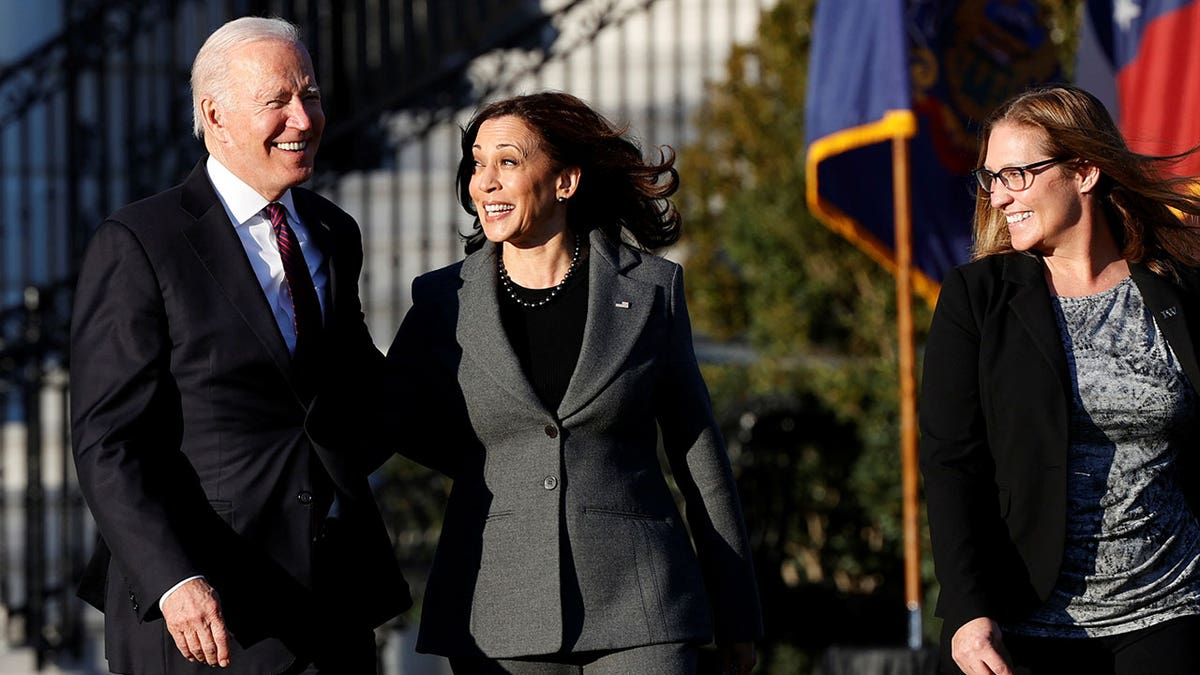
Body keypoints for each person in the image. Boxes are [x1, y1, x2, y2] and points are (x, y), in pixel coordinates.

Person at [70, 16, 410, 674]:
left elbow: (359, 390)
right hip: (206, 610)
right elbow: (108, 439)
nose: (304, 120)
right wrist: (173, 581)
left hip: (327, 598)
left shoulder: (332, 232)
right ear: (215, 115)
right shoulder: (143, 241)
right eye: (277, 101)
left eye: (309, 95)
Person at [384, 91, 762, 674]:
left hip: (644, 608)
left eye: (507, 162)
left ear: (565, 182)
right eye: (477, 164)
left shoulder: (653, 290)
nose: (485, 182)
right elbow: (392, 419)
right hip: (496, 609)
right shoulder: (442, 302)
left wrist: (736, 615)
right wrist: (492, 461)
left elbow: (699, 455)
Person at [920, 84, 1200, 675]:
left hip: (1171, 613)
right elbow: (952, 465)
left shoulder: (1178, 287)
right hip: (1022, 627)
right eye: (991, 178)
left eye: (1016, 174)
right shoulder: (977, 298)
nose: (999, 197)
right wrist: (968, 614)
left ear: (1085, 171)